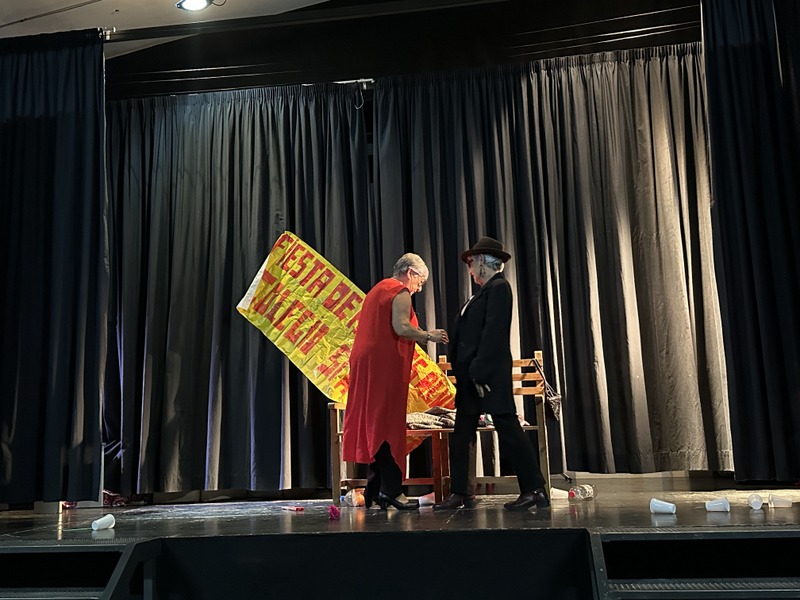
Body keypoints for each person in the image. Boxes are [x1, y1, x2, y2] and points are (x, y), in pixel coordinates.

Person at [434, 236, 550, 511]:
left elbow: (493, 333)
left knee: (507, 427)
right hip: (470, 376)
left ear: (483, 263)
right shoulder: (481, 293)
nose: (469, 269)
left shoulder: (499, 288)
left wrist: (478, 370)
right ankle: (461, 492)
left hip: (487, 374)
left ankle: (534, 489)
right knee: (462, 432)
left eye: (471, 263)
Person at [342, 253, 449, 510]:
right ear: (410, 272)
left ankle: (375, 490)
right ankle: (391, 491)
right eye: (420, 282)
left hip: (368, 364)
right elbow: (401, 327)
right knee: (387, 426)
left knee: (375, 423)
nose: (419, 289)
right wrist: (428, 335)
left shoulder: (378, 289)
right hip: (383, 366)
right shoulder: (399, 291)